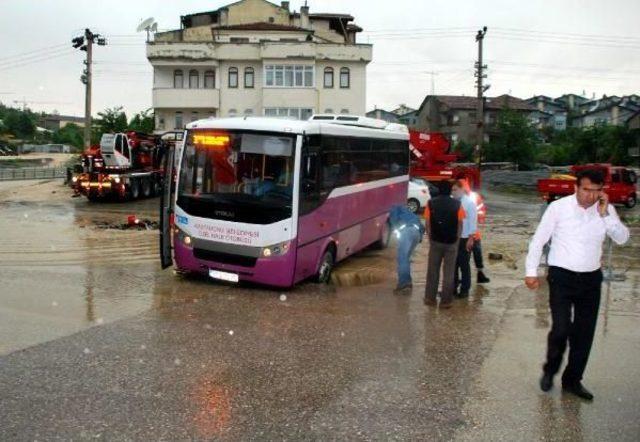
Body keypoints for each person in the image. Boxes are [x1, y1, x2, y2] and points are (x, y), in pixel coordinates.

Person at [525, 169, 629, 401]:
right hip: (562, 276)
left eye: (596, 191)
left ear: (602, 191)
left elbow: (622, 239)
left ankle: (572, 380)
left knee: (584, 333)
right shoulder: (558, 208)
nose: (590, 196)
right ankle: (550, 369)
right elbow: (539, 239)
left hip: (591, 279)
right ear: (576, 188)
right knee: (561, 328)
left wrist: (606, 216)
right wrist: (530, 271)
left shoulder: (606, 211)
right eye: (586, 190)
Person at [424, 181, 466, 308]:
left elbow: (427, 223)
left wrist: (430, 238)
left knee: (432, 271)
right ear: (449, 191)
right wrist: (457, 240)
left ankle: (430, 299)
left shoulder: (430, 203)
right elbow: (460, 224)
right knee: (449, 273)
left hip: (435, 241)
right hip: (451, 243)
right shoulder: (458, 204)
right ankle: (446, 302)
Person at [389, 205, 425, 293]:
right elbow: (422, 228)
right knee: (406, 258)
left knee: (402, 259)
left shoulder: (394, 209)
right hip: (416, 234)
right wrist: (419, 238)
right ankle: (408, 282)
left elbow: (393, 223)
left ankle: (403, 284)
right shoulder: (410, 213)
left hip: (407, 233)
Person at [452, 180, 478, 298]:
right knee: (453, 265)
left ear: (462, 189)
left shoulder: (469, 203)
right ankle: (453, 288)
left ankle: (465, 290)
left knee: (464, 265)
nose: (453, 192)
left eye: (455, 190)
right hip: (454, 238)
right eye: (452, 190)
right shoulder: (452, 202)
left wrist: (471, 239)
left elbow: (473, 222)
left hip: (465, 238)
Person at [468, 188, 490, 283]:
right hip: (470, 233)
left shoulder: (455, 195)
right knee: (475, 253)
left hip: (467, 233)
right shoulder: (474, 196)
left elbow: (481, 212)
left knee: (473, 254)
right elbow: (481, 213)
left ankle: (462, 281)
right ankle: (477, 275)